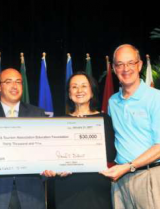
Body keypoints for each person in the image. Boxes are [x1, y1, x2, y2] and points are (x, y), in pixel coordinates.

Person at [101, 44, 160, 209]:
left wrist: (130, 166)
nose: (125, 68)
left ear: (140, 65)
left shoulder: (156, 98)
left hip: (153, 176)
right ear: (114, 68)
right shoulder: (113, 102)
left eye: (130, 63)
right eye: (120, 64)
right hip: (121, 181)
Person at [0, 68, 47, 209]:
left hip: (30, 194)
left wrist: (49, 168)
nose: (14, 86)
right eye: (9, 82)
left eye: (18, 82)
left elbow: (46, 151)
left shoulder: (37, 114)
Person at [44, 71, 116, 209]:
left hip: (96, 186)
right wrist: (53, 167)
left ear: (92, 92)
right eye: (74, 86)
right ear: (69, 94)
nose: (79, 90)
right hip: (66, 186)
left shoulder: (104, 120)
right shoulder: (58, 122)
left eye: (84, 86)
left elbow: (111, 154)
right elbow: (51, 156)